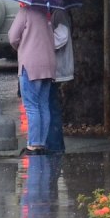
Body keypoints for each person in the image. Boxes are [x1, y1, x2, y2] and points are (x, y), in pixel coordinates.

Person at [9, 3, 57, 155]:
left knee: (31, 106)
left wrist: (22, 47)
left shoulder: (25, 12)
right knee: (43, 104)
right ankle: (41, 143)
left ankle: (33, 144)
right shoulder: (47, 13)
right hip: (48, 64)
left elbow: (12, 37)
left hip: (30, 64)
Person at [46, 8, 74, 154]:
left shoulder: (59, 13)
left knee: (51, 107)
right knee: (51, 106)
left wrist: (43, 41)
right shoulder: (54, 13)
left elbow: (62, 37)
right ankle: (54, 144)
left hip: (57, 68)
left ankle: (55, 145)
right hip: (53, 68)